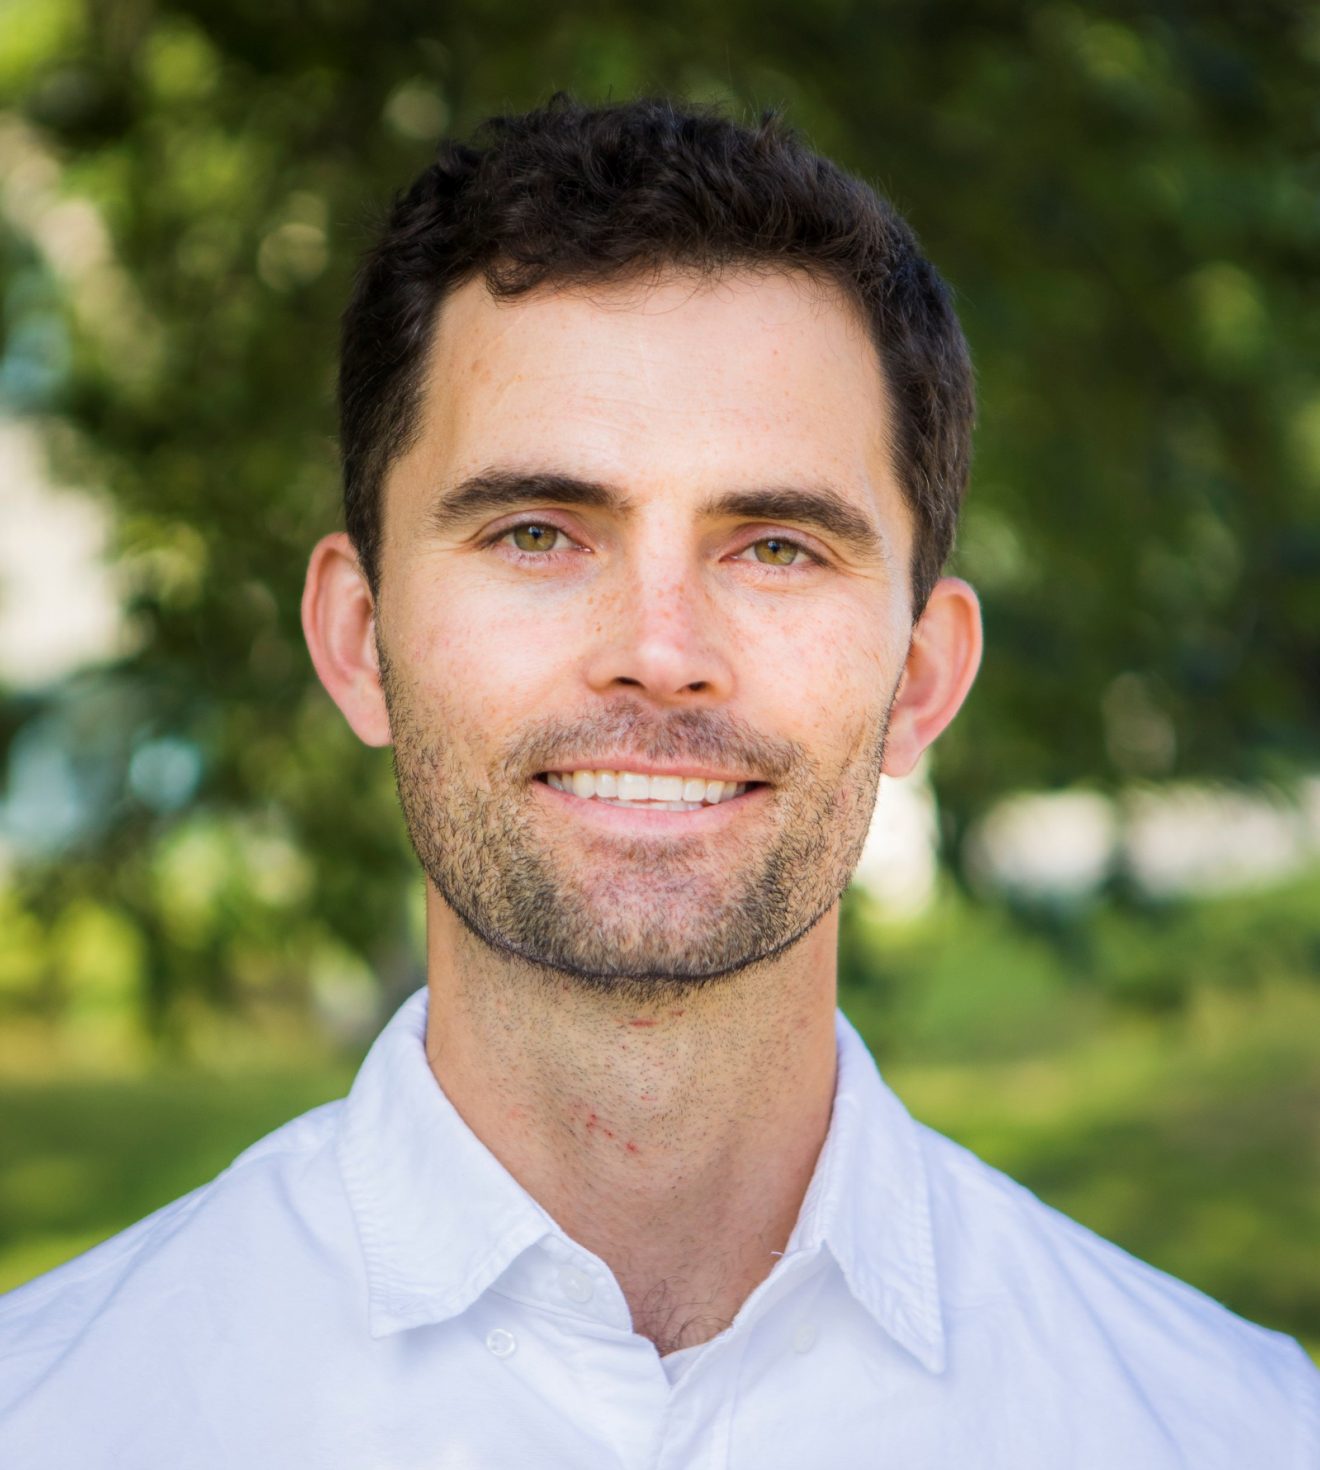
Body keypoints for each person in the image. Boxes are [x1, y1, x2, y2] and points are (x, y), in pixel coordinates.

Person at [1, 95, 1315, 1468]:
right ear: (358, 641)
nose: (660, 652)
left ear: (921, 679)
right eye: (536, 532)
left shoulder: (1233, 1429)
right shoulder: (52, 1420)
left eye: (777, 547)